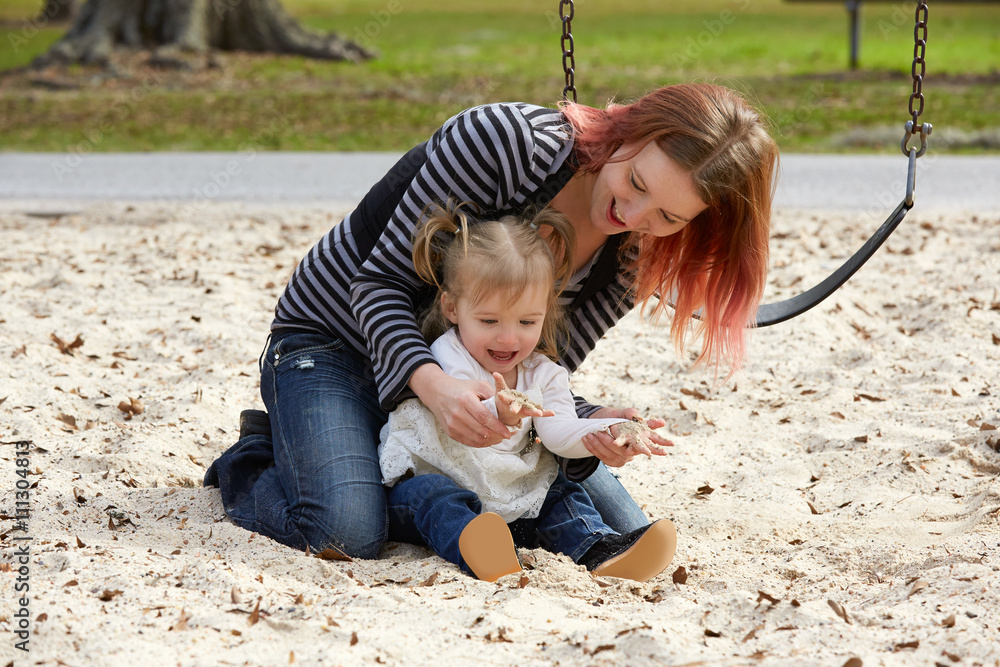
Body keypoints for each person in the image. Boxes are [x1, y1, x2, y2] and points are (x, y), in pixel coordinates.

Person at [204, 82, 778, 561]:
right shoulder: (506, 144)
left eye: (668, 215)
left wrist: (593, 424)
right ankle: (260, 456)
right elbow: (376, 284)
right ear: (631, 130)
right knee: (345, 531)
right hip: (334, 343)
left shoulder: (636, 254)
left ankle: (379, 472)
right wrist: (437, 387)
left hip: (459, 391)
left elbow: (535, 371)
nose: (632, 215)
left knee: (619, 523)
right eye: (636, 183)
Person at [380, 200, 676, 582]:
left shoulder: (546, 374)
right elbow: (474, 408)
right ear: (452, 308)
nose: (508, 337)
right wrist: (501, 412)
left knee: (560, 490)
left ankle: (597, 548)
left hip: (509, 493)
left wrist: (603, 431)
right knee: (437, 499)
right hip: (433, 479)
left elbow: (558, 433)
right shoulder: (445, 353)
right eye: (489, 320)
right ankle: (479, 550)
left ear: (546, 313)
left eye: (526, 321)